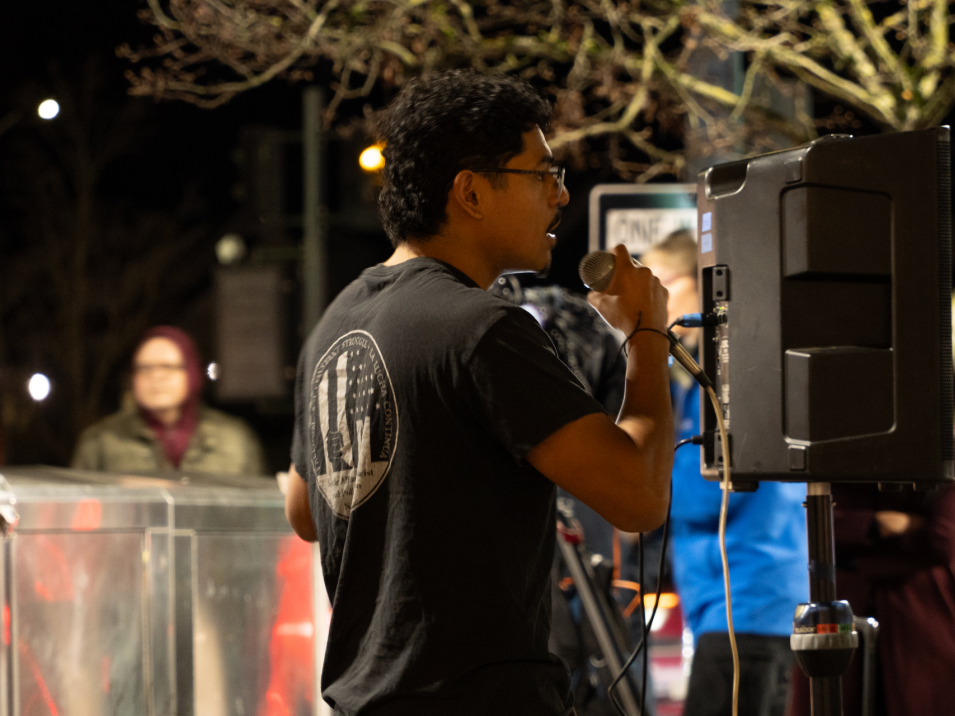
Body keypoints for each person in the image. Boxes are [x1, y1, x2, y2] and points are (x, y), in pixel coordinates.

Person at [283, 69, 674, 715]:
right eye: (541, 174)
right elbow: (635, 497)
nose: (558, 196)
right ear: (469, 192)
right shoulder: (481, 329)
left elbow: (305, 512)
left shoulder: (336, 322)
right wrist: (646, 335)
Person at [639, 230, 808, 716]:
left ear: (698, 285)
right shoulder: (701, 384)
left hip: (751, 605)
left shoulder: (730, 379)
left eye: (661, 285)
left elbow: (711, 489)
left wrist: (637, 488)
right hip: (729, 606)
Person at [72, 325, 266, 475]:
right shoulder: (102, 442)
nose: (156, 377)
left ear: (191, 373)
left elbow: (258, 516)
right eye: (145, 368)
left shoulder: (234, 440)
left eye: (168, 367)